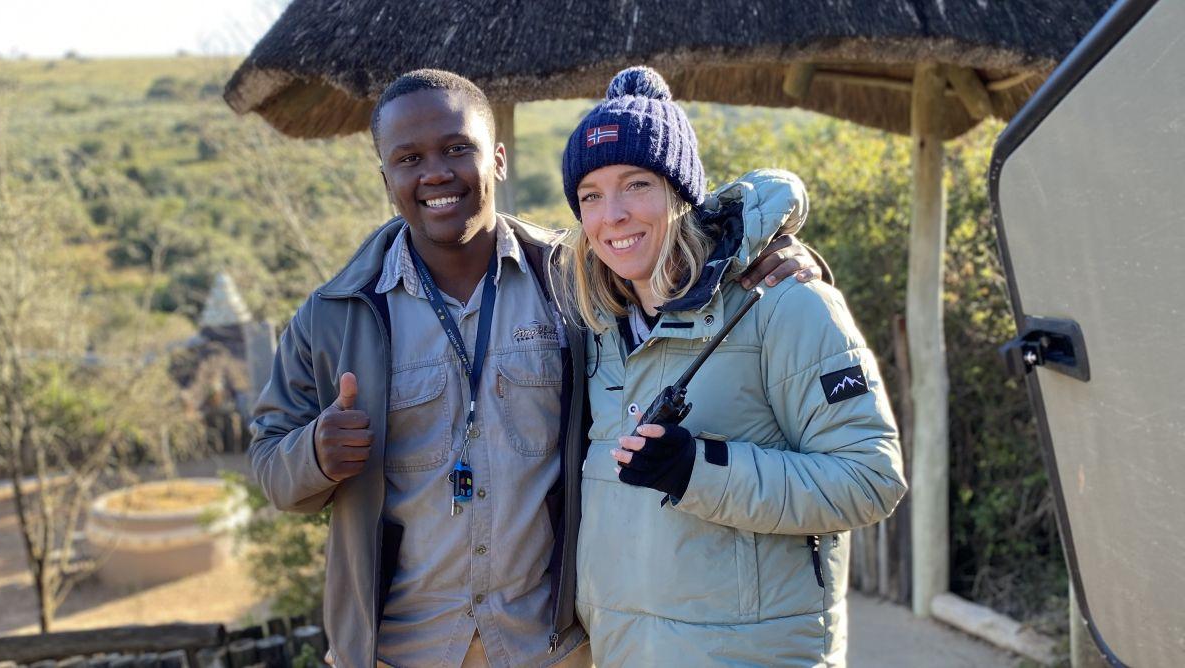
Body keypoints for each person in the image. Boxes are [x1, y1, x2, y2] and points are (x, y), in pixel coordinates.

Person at [248, 69, 822, 668]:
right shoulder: (334, 314)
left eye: (456, 149)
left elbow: (678, 260)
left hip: (548, 649)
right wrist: (314, 453)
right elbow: (268, 465)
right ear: (386, 176)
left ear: (497, 158)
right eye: (409, 158)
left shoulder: (576, 281)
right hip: (397, 652)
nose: (435, 172)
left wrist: (778, 254)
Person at [558, 66, 908, 666]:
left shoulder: (783, 303)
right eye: (591, 195)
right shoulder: (593, 328)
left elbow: (870, 480)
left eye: (636, 184)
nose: (611, 214)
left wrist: (699, 470)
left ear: (680, 193)